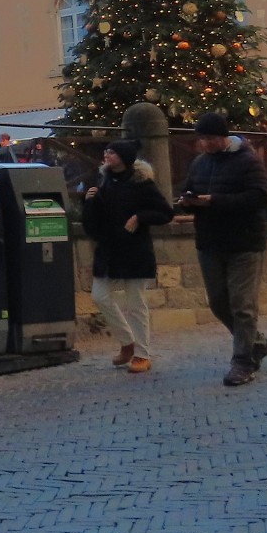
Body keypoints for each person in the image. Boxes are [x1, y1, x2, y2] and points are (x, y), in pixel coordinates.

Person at [179, 112, 267, 387]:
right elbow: (190, 189)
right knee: (218, 302)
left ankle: (242, 362)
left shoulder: (247, 161)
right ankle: (257, 342)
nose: (205, 144)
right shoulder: (199, 163)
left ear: (223, 137)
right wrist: (188, 201)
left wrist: (216, 201)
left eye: (209, 139)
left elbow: (260, 197)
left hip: (244, 241)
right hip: (209, 241)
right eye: (202, 139)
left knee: (242, 305)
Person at [81, 139, 174, 374]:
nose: (107, 155)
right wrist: (90, 202)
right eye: (106, 151)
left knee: (136, 303)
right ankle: (127, 342)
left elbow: (164, 212)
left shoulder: (142, 183)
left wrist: (139, 217)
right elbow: (92, 224)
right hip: (108, 249)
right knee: (100, 296)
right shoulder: (103, 181)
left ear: (124, 157)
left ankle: (142, 353)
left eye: (112, 152)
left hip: (134, 250)